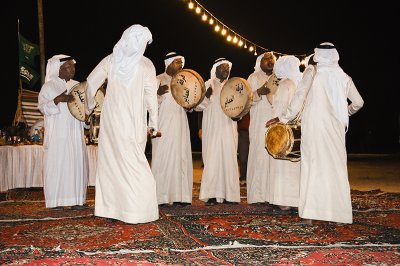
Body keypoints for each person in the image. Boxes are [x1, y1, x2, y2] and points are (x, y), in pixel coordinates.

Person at [267, 42, 364, 224]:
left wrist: (284, 119)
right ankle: (339, 215)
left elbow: (299, 98)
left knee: (313, 168)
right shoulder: (343, 77)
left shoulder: (312, 72)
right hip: (335, 130)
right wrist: (345, 112)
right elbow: (359, 102)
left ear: (318, 55)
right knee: (335, 169)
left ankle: (310, 215)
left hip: (313, 127)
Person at [85, 24, 159, 224]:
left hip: (112, 122)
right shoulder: (146, 65)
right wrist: (154, 123)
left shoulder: (111, 60)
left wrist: (89, 107)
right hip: (134, 122)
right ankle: (139, 210)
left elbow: (90, 83)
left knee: (111, 164)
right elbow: (151, 96)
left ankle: (113, 209)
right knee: (135, 162)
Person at [38, 55, 88, 210]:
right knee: (57, 165)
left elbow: (85, 108)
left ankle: (77, 199)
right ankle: (56, 201)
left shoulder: (78, 86)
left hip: (75, 133)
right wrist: (57, 100)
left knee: (76, 164)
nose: (72, 70)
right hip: (58, 136)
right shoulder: (48, 86)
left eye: (73, 67)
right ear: (58, 69)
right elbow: (42, 108)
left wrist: (86, 118)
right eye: (68, 67)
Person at [195, 58, 240, 204]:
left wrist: (237, 116)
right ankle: (212, 194)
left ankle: (230, 195)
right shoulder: (208, 84)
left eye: (228, 67)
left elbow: (240, 106)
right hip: (212, 128)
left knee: (229, 159)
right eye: (223, 67)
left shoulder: (233, 86)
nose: (226, 70)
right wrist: (207, 95)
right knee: (212, 159)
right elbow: (197, 107)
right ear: (216, 69)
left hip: (228, 128)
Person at [151, 52, 193, 206]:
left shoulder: (184, 82)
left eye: (181, 63)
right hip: (163, 126)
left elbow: (189, 104)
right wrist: (157, 94)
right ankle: (161, 197)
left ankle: (180, 196)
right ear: (168, 63)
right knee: (163, 159)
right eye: (176, 62)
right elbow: (147, 104)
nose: (180, 65)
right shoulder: (157, 80)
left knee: (180, 158)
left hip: (181, 125)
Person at [266, 55, 302, 211]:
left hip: (284, 131)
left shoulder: (285, 84)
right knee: (295, 165)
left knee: (281, 165)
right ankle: (296, 200)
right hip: (298, 129)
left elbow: (279, 108)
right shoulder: (300, 83)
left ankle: (283, 202)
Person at [246, 52, 276, 204]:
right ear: (260, 62)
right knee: (260, 157)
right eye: (266, 59)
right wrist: (258, 92)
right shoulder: (254, 77)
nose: (270, 61)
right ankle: (257, 197)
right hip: (259, 125)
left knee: (273, 158)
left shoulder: (278, 77)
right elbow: (245, 99)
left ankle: (272, 195)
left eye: (272, 58)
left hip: (276, 124)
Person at [237, 112, 250, 186]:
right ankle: (243, 178)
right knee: (243, 157)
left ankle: (251, 178)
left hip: (256, 129)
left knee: (255, 157)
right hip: (243, 130)